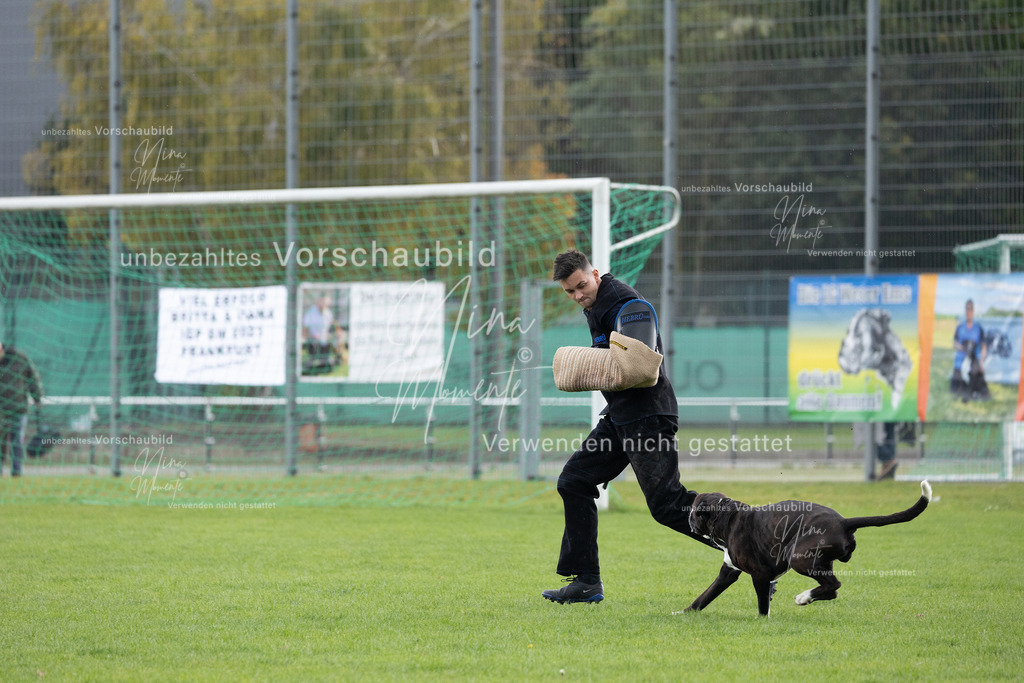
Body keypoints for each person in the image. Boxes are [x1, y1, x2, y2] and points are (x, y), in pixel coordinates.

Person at [542, 250, 716, 604]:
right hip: (621, 417)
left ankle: (755, 548)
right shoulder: (593, 305)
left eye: (581, 286)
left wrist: (583, 365)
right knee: (574, 481)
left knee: (668, 505)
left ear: (594, 273)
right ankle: (587, 581)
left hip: (648, 417)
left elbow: (638, 368)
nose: (577, 296)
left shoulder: (625, 302)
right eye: (569, 292)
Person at [0, 342, 43, 477]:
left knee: (17, 442)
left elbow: (32, 378)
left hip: (19, 409)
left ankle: (17, 472)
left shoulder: (19, 358)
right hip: (1, 411)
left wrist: (37, 397)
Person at [951, 299, 989, 401]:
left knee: (976, 376)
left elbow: (984, 346)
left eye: (970, 309)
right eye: (967, 309)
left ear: (973, 311)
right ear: (965, 311)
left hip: (973, 360)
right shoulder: (960, 327)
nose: (969, 312)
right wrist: (963, 348)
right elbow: (955, 343)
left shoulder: (978, 328)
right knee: (955, 389)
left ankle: (972, 391)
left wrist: (981, 362)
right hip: (961, 360)